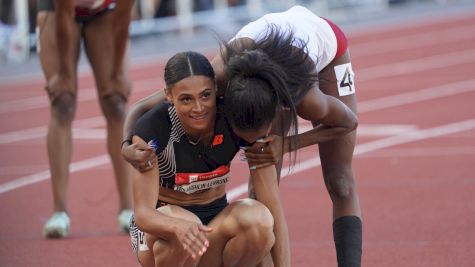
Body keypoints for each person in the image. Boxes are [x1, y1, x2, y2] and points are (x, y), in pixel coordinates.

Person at [123, 5, 361, 266]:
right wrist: (126, 145)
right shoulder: (214, 79)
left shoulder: (307, 98)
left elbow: (348, 122)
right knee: (259, 196)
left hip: (326, 53)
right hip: (260, 61)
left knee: (340, 182)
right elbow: (140, 107)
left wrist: (287, 144)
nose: (199, 105)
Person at [129, 51, 287, 267]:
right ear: (168, 95)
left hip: (215, 224)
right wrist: (175, 226)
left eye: (205, 95)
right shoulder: (154, 129)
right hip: (162, 233)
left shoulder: (235, 118)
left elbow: (272, 207)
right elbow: (143, 215)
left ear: (215, 88)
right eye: (186, 99)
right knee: (186, 225)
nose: (198, 108)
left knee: (260, 223)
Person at [37, 0, 134, 238]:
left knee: (116, 103)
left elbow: (122, 21)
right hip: (57, 9)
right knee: (62, 103)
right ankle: (59, 212)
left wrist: (116, 75)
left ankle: (128, 210)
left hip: (105, 13)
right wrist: (63, 76)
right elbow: (64, 14)